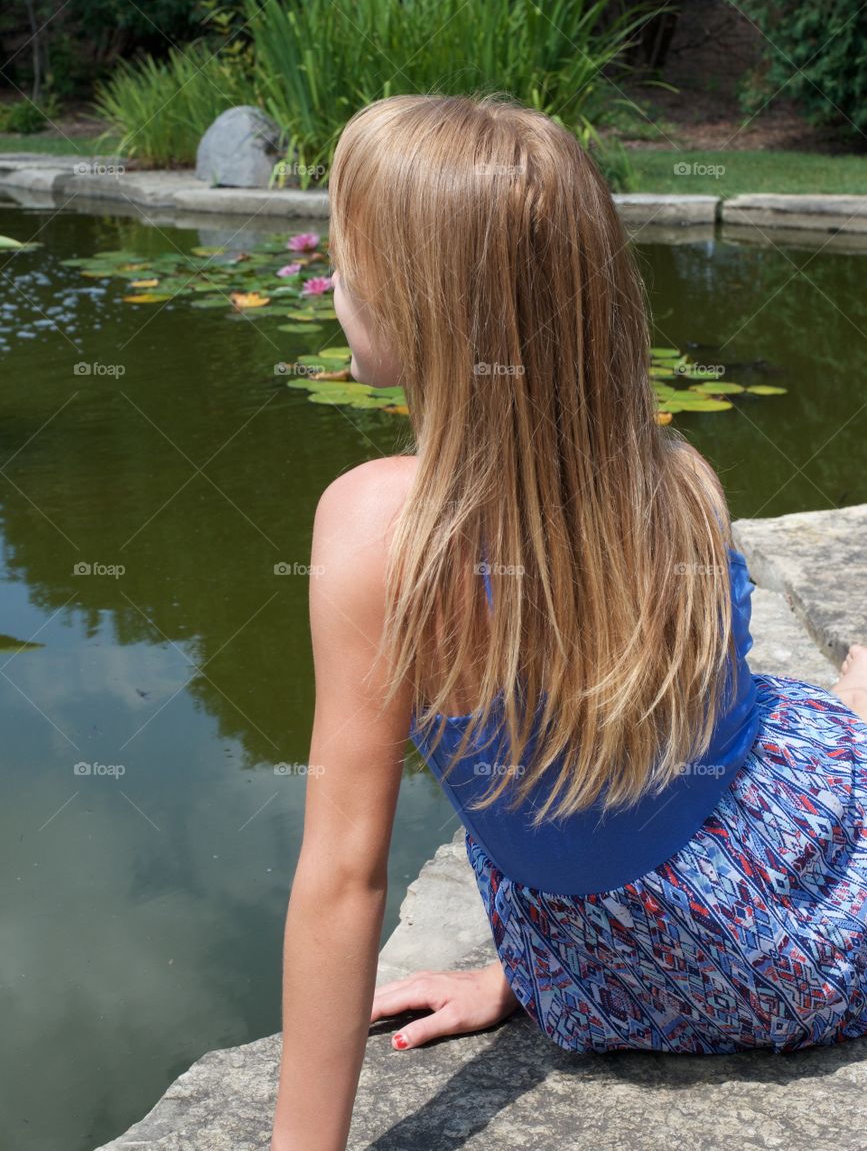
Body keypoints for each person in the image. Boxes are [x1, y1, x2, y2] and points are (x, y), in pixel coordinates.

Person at [269, 93, 867, 1151]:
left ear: (424, 304)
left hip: (611, 978)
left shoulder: (375, 528)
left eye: (349, 257)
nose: (335, 279)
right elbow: (669, 766)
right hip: (781, 942)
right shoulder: (679, 477)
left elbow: (343, 874)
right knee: (843, 700)